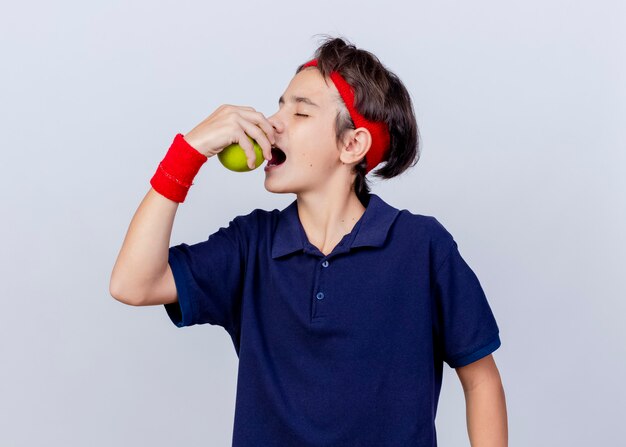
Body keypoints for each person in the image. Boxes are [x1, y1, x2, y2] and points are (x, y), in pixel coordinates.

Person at [110, 35, 508, 447]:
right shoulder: (251, 245)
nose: (273, 122)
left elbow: (481, 380)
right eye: (279, 105)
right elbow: (131, 284)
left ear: (351, 144)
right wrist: (188, 152)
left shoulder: (423, 247)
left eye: (300, 112)